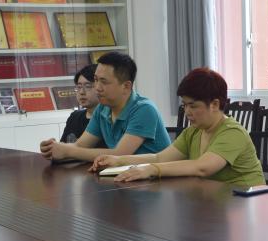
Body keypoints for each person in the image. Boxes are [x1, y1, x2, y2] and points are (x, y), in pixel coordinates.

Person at [90, 68, 264, 186]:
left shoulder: (232, 132)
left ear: (214, 104)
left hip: (247, 204)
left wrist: (151, 170)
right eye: (184, 105)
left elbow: (202, 167)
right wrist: (119, 160)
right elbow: (160, 158)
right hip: (217, 201)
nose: (187, 112)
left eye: (193, 106)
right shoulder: (193, 132)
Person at [39, 52, 170, 162]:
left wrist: (67, 151)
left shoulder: (144, 110)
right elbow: (80, 145)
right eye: (96, 80)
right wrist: (53, 148)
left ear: (126, 86)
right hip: (125, 176)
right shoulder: (102, 109)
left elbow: (119, 154)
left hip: (156, 180)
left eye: (104, 82)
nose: (97, 87)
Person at [62, 64, 99, 143]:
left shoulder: (107, 120)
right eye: (79, 87)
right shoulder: (74, 117)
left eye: (88, 86)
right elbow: (63, 144)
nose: (81, 92)